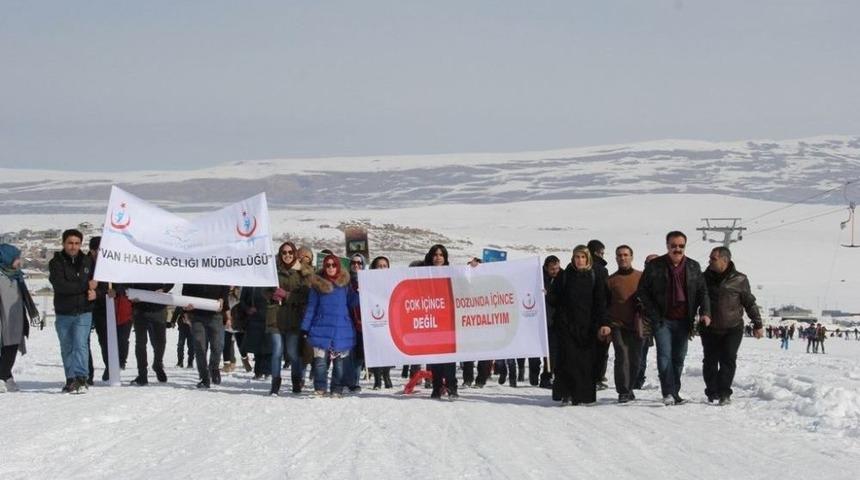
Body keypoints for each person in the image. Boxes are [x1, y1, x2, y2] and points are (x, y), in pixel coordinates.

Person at [637, 231, 710, 406]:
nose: (677, 249)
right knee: (664, 356)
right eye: (673, 246)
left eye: (681, 246)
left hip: (684, 320)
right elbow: (642, 291)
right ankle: (668, 392)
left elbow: (702, 291)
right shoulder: (655, 265)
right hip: (662, 320)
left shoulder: (693, 266)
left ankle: (674, 391)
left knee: (679, 357)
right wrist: (653, 313)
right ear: (667, 246)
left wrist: (706, 312)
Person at [702, 247, 763, 405]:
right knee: (710, 361)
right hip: (709, 328)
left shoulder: (740, 279)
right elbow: (695, 301)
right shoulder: (703, 278)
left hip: (733, 328)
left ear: (725, 260)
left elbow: (749, 302)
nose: (709, 261)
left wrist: (757, 323)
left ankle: (724, 393)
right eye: (710, 258)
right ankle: (712, 390)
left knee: (728, 359)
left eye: (713, 259)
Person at [547, 245, 607, 405]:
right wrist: (548, 296)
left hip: (587, 327)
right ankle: (566, 393)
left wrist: (603, 323)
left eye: (583, 257)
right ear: (572, 258)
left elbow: (600, 301)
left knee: (585, 362)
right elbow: (554, 298)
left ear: (588, 259)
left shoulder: (594, 275)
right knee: (567, 360)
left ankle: (582, 395)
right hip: (566, 325)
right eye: (577, 257)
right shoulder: (565, 275)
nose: (580, 260)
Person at [301, 253, 357, 397]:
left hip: (341, 329)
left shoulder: (345, 285)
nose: (331, 268)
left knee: (339, 363)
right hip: (321, 327)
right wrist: (305, 327)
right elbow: (311, 307)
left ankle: (336, 389)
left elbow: (353, 303)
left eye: (333, 265)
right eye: (328, 265)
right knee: (320, 362)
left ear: (338, 266)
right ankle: (320, 387)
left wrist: (359, 292)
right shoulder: (317, 286)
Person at [269, 242, 314, 395]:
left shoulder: (301, 272)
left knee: (293, 352)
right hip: (275, 316)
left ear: (294, 254)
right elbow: (264, 290)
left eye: (290, 252)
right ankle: (275, 383)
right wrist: (271, 295)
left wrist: (287, 295)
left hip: (294, 318)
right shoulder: (273, 271)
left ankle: (296, 380)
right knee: (276, 351)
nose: (287, 255)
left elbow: (306, 295)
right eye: (284, 252)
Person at [606, 245, 644, 403]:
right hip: (617, 325)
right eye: (619, 255)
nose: (622, 258)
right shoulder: (610, 281)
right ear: (616, 258)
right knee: (622, 355)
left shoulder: (641, 277)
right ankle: (623, 391)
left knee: (636, 359)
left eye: (625, 255)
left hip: (637, 325)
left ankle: (630, 387)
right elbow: (605, 304)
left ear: (631, 257)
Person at [0, 243, 39, 393]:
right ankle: (4, 377)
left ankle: (5, 376)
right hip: (3, 321)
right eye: (16, 258)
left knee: (11, 349)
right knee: (5, 349)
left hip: (16, 320)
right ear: (7, 258)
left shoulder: (17, 276)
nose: (19, 261)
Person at [424, 244, 459, 399]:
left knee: (450, 357)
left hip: (448, 320)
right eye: (435, 254)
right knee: (435, 357)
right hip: (431, 319)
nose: (438, 258)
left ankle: (452, 387)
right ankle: (437, 387)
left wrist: (475, 267)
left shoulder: (452, 273)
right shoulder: (422, 273)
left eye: (441, 255)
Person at [182, 283, 231, 389]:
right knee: (199, 346)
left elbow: (226, 286)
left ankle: (214, 368)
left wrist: (223, 299)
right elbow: (185, 289)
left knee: (218, 345)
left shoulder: (219, 273)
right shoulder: (191, 274)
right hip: (196, 315)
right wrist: (185, 309)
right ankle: (204, 377)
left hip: (216, 313)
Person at [127, 281, 174, 385]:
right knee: (140, 343)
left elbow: (172, 280)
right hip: (140, 308)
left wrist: (164, 289)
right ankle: (142, 374)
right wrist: (130, 294)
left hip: (159, 307)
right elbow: (126, 283)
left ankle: (157, 364)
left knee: (161, 341)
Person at [587, 239, 611, 391]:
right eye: (602, 253)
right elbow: (603, 297)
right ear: (596, 253)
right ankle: (596, 378)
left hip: (582, 316)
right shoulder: (601, 270)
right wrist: (605, 320)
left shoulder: (574, 268)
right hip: (597, 316)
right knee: (599, 351)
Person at [633, 253, 659, 390]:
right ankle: (637, 380)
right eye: (648, 264)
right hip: (644, 321)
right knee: (640, 352)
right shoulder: (639, 279)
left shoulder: (668, 279)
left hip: (663, 321)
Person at [368, 256, 394, 390]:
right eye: (380, 266)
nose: (382, 268)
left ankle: (387, 375)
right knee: (376, 349)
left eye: (385, 266)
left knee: (388, 349)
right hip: (375, 318)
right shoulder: (368, 282)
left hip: (390, 319)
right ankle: (377, 380)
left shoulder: (392, 281)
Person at [344, 253, 367, 393]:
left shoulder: (368, 281)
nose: (356, 265)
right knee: (348, 353)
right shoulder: (345, 281)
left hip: (362, 322)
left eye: (359, 263)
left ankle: (355, 381)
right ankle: (349, 381)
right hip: (348, 320)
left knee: (359, 354)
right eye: (353, 263)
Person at [539, 255, 562, 389]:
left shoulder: (562, 276)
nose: (555, 271)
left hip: (556, 319)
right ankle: (545, 376)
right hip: (543, 319)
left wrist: (549, 295)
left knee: (555, 351)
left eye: (557, 268)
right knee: (548, 351)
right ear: (546, 268)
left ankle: (550, 375)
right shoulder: (539, 277)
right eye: (552, 269)